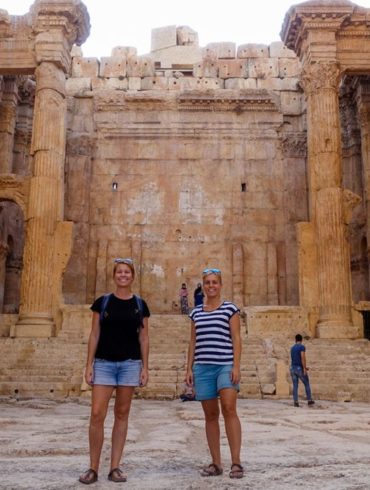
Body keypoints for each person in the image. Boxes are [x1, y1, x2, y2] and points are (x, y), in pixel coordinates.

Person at [79, 258, 150, 484]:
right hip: (104, 363)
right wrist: (88, 364)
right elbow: (94, 334)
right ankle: (93, 467)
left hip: (129, 364)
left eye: (127, 272)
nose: (123, 275)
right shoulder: (103, 302)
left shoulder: (140, 304)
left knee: (122, 414)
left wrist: (145, 367)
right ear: (114, 275)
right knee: (97, 414)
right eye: (119, 272)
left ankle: (115, 467)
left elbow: (144, 337)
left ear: (132, 276)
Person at [185, 268, 244, 479]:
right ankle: (216, 463)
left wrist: (236, 366)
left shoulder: (230, 309)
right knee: (210, 415)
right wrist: (188, 368)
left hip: (224, 365)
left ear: (220, 285)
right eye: (208, 283)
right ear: (203, 286)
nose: (211, 286)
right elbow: (193, 341)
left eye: (214, 282)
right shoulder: (196, 312)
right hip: (202, 367)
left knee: (229, 408)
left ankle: (236, 462)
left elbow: (236, 338)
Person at [290, 334, 315, 407]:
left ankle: (296, 401)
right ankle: (309, 400)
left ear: (295, 340)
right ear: (301, 340)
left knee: (295, 385)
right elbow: (302, 357)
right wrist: (304, 368)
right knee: (306, 383)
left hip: (292, 368)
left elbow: (294, 358)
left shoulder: (292, 348)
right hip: (299, 368)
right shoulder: (302, 347)